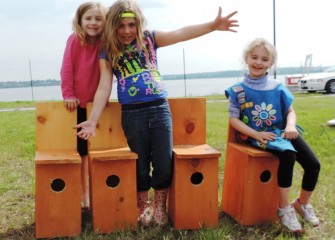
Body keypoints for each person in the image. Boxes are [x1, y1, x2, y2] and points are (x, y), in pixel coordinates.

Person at [75, 0, 238, 226]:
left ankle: (160, 205)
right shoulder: (108, 50)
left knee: (163, 161)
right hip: (132, 113)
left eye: (132, 25)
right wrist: (92, 120)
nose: (127, 31)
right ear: (112, 27)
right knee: (140, 164)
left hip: (160, 109)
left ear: (139, 24)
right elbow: (104, 86)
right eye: (121, 26)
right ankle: (143, 205)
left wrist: (212, 25)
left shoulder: (149, 39)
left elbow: (180, 33)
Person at [225, 38, 321, 233]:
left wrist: (291, 125)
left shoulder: (277, 86)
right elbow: (234, 119)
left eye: (264, 59)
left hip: (284, 131)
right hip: (260, 134)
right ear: (247, 58)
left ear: (271, 63)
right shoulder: (237, 90)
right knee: (288, 155)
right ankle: (284, 209)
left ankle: (302, 203)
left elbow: (290, 112)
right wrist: (256, 134)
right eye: (254, 57)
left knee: (313, 164)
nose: (259, 62)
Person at [60, 1, 106, 209]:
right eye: (88, 18)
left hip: (96, 106)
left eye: (98, 19)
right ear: (80, 21)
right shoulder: (75, 40)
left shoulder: (105, 44)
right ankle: (82, 195)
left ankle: (96, 193)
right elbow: (67, 68)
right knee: (80, 153)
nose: (93, 23)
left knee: (95, 152)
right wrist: (68, 94)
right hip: (77, 105)